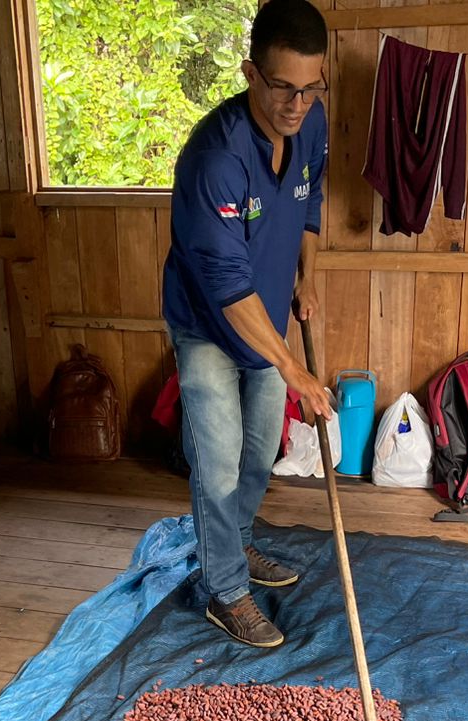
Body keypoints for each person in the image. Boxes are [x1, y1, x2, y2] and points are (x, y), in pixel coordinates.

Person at [162, 0, 333, 649]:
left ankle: (235, 541)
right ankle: (225, 590)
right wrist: (296, 371)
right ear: (250, 74)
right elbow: (228, 291)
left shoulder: (310, 124)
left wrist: (306, 274)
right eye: (283, 87)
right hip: (209, 324)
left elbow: (311, 199)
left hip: (264, 315)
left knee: (262, 448)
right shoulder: (215, 158)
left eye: (311, 88)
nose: (296, 104)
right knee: (220, 458)